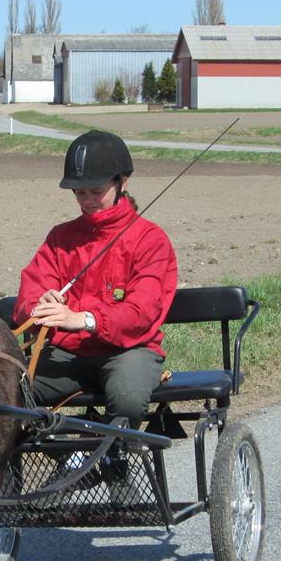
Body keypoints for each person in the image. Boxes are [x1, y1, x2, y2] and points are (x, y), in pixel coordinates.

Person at [14, 129, 178, 431]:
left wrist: (84, 319)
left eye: (96, 191)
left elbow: (141, 313)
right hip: (67, 352)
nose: (87, 200)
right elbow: (29, 295)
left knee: (127, 399)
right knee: (6, 389)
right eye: (80, 193)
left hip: (130, 351)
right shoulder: (60, 237)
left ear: (122, 183)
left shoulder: (150, 240)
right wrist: (38, 306)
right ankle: (53, 455)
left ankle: (119, 456)